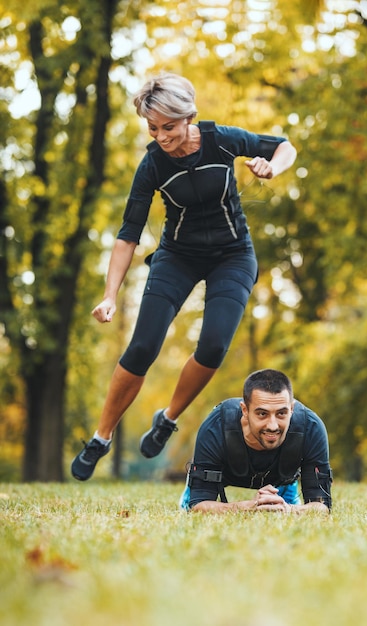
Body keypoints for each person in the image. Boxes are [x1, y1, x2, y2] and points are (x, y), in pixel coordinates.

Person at [71, 73, 297, 481]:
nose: (161, 136)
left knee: (213, 346)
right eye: (153, 128)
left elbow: (284, 146)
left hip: (233, 255)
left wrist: (272, 167)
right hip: (177, 257)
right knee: (142, 347)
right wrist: (109, 294)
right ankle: (100, 437)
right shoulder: (152, 165)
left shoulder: (220, 139)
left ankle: (168, 417)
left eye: (169, 127)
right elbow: (128, 234)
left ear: (189, 117)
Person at [179, 369, 332, 513]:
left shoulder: (311, 427)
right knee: (187, 507)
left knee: (284, 517)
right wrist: (250, 506)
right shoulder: (215, 426)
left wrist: (289, 509)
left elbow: (322, 506)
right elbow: (197, 505)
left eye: (281, 413)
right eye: (262, 414)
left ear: (292, 409)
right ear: (245, 410)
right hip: (226, 471)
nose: (272, 426)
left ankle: (285, 491)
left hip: (282, 477)